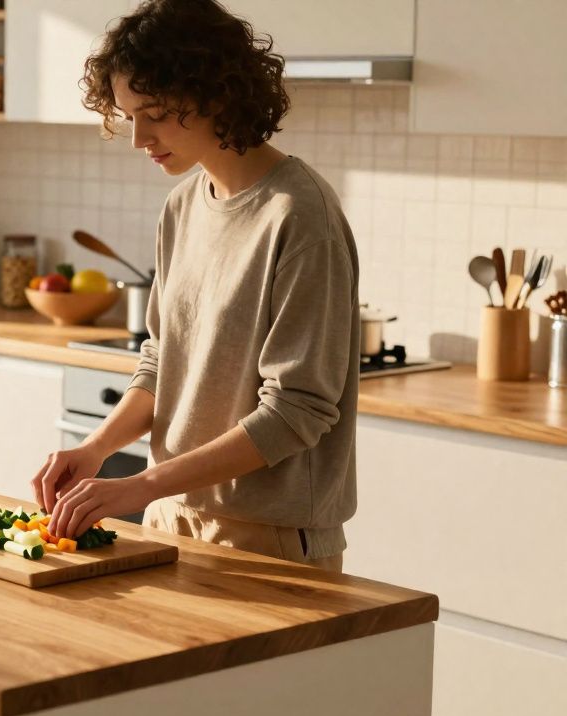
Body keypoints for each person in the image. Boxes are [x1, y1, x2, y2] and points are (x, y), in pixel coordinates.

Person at [31, 0, 359, 572]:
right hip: (169, 515)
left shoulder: (301, 216)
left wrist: (141, 484)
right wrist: (96, 450)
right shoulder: (182, 205)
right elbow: (162, 361)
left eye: (155, 114)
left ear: (217, 94)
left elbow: (297, 411)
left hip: (269, 537)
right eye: (129, 116)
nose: (139, 138)